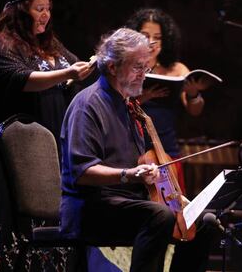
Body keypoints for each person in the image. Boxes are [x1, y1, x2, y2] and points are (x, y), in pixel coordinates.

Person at [60, 28, 212, 272]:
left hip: (130, 202)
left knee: (207, 222)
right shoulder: (87, 105)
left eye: (146, 67)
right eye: (137, 68)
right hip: (92, 208)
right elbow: (82, 172)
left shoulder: (131, 107)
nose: (144, 75)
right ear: (112, 67)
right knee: (160, 216)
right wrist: (129, 174)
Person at [0, 0, 94, 270]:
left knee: (54, 219)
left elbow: (72, 72)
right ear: (20, 11)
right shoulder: (2, 47)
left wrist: (92, 66)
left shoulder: (50, 46)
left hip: (52, 139)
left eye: (48, 8)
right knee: (18, 217)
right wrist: (67, 73)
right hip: (20, 145)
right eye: (39, 8)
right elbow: (22, 80)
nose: (45, 14)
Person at [125, 8, 208, 193]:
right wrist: (144, 98)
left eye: (158, 37)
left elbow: (195, 111)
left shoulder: (176, 69)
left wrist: (193, 93)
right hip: (134, 149)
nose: (152, 42)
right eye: (145, 35)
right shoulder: (128, 67)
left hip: (167, 151)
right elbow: (115, 105)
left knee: (172, 207)